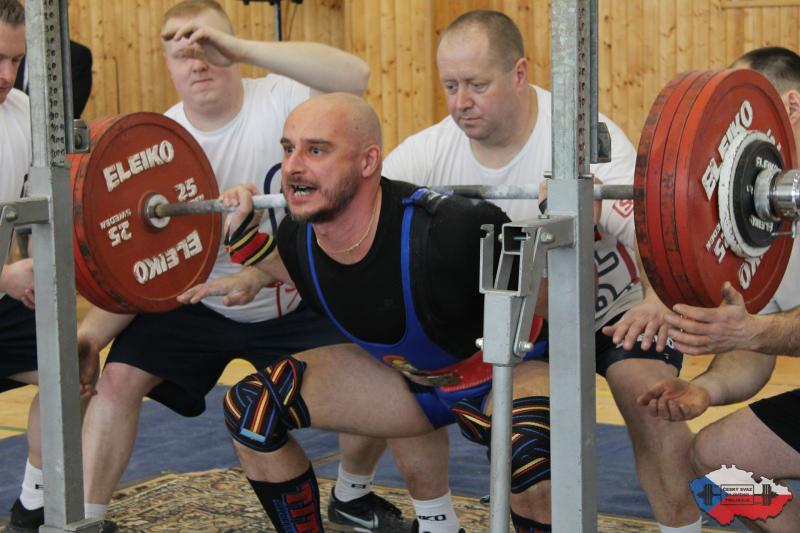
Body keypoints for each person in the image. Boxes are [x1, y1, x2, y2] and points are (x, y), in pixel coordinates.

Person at [74, 2, 408, 531]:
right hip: (201, 299)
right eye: (180, 51)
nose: (196, 60)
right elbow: (141, 268)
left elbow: (355, 76)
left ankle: (351, 493)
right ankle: (86, 520)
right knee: (115, 380)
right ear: (166, 64)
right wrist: (90, 336)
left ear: (231, 48)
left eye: (208, 45)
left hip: (294, 292)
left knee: (380, 362)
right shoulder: (156, 142)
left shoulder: (281, 99)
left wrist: (240, 48)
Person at [382, 10, 699, 533]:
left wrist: (657, 300)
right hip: (525, 329)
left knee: (654, 407)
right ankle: (432, 522)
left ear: (520, 73)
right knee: (403, 371)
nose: (461, 102)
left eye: (477, 85)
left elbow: (650, 229)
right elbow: (367, 221)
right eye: (450, 86)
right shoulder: (428, 153)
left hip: (612, 314)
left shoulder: (583, 137)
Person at [179, 91, 553, 533]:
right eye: (288, 148)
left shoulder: (454, 229)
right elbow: (302, 273)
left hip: (509, 371)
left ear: (368, 161)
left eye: (316, 150)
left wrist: (570, 223)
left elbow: (561, 305)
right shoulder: (300, 240)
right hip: (412, 383)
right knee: (251, 410)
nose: (292, 166)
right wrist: (243, 239)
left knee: (528, 456)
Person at [639, 46, 800, 533]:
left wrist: (752, 332)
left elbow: (759, 333)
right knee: (713, 467)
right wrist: (703, 390)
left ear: (789, 107)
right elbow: (755, 344)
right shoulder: (760, 216)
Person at [0, 2, 107, 532]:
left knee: (75, 367)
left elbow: (37, 218)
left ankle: (34, 507)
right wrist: (5, 276)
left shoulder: (25, 113)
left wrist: (33, 273)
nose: (6, 74)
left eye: (16, 61)